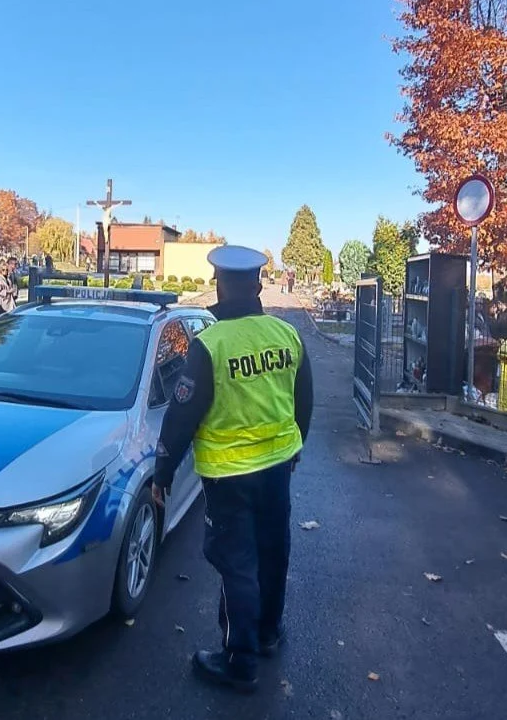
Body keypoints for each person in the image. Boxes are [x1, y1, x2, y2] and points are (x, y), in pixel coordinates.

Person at [152, 245, 314, 693]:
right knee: (273, 551)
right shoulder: (287, 334)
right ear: (258, 286)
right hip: (276, 469)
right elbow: (303, 401)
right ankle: (268, 633)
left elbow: (181, 414)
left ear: (219, 286)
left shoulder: (211, 344)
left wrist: (163, 473)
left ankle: (240, 660)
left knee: (237, 563)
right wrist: (295, 448)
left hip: (228, 477)